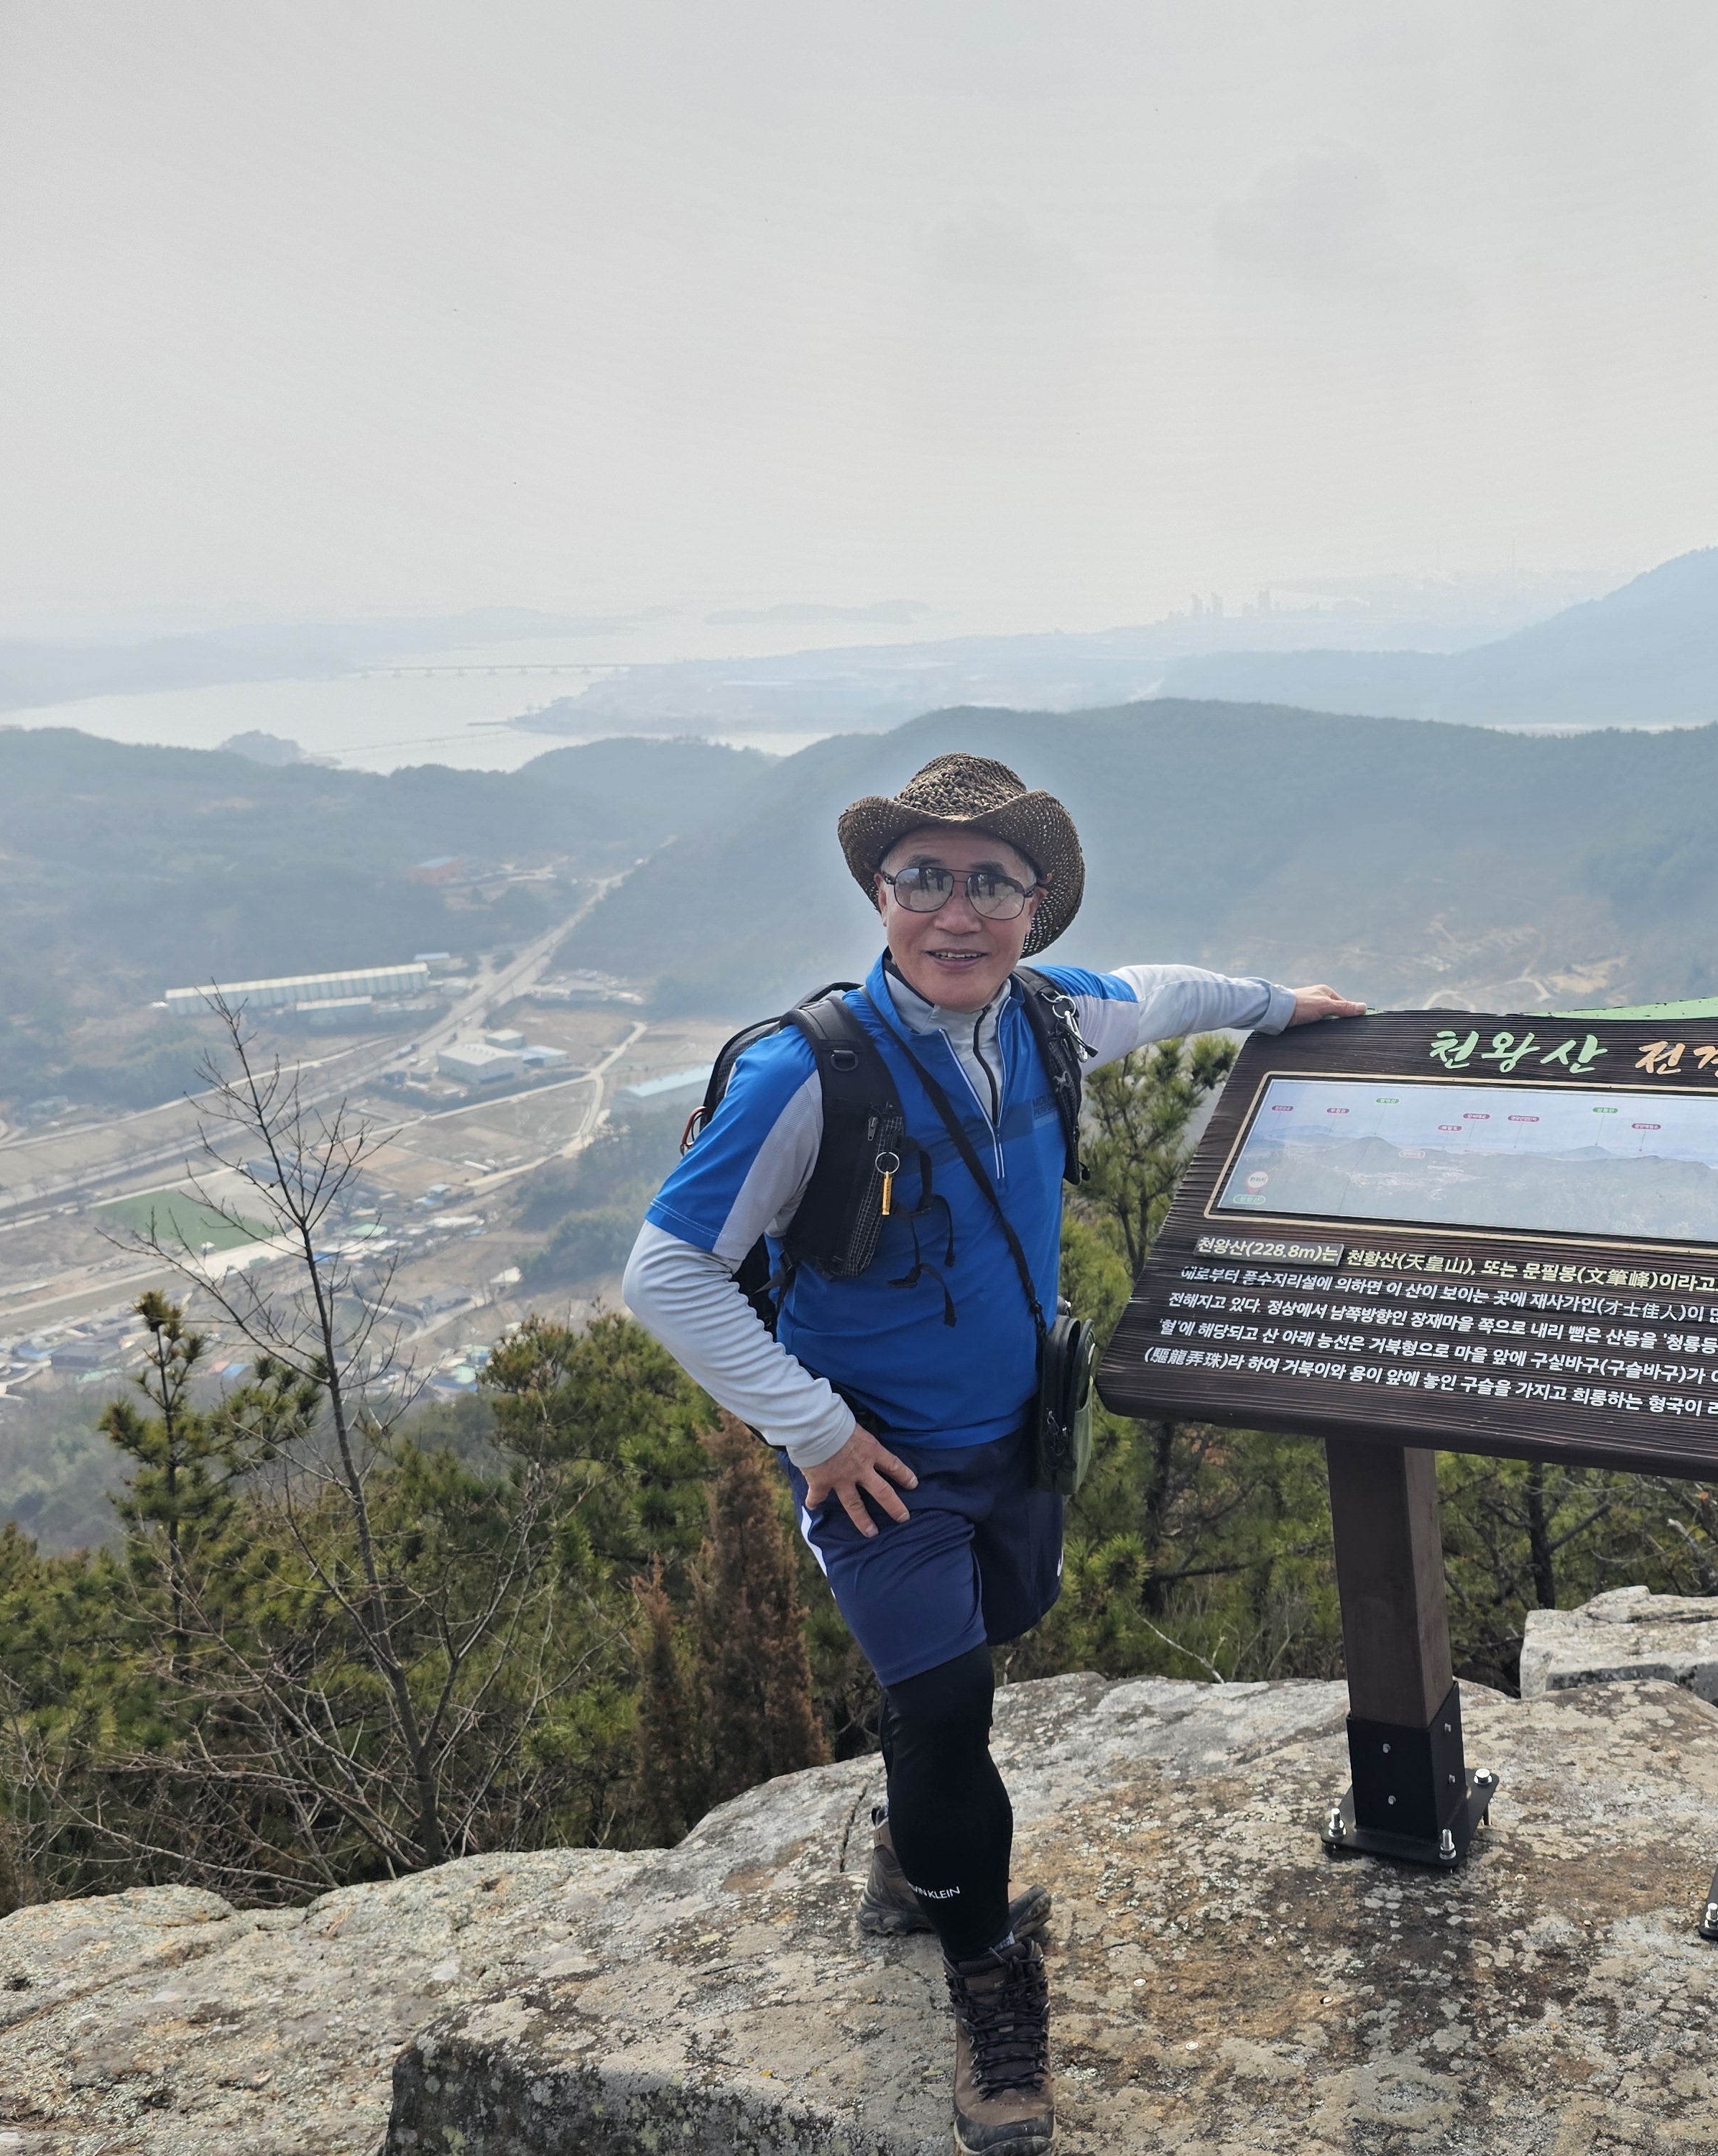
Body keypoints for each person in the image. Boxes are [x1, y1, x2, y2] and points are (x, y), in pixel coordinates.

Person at [622, 752, 1360, 2155]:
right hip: (879, 1467)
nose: (954, 912)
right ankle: (986, 1986)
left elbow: (1172, 993)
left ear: (1034, 906)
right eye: (923, 878)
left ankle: (914, 1852)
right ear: (879, 894)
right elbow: (668, 1274)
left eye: (990, 883)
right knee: (952, 1701)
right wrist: (815, 1430)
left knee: (997, 1629)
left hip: (1016, 1434)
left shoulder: (1051, 1020)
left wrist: (1283, 1006)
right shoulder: (808, 1074)